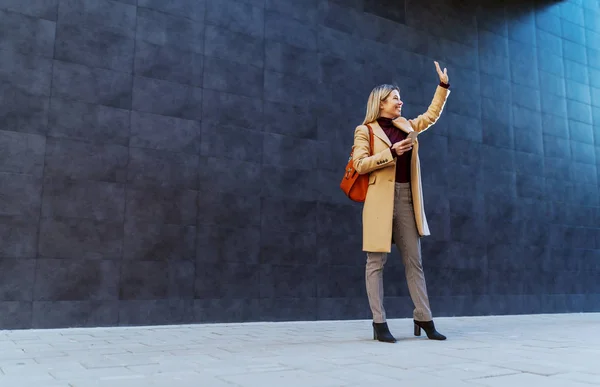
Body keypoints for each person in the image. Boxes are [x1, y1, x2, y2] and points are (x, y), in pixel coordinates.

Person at [352, 61, 450, 343]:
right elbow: (359, 164)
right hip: (379, 201)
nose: (400, 101)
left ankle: (424, 316)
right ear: (381, 103)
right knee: (376, 262)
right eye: (395, 98)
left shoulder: (406, 125)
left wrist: (442, 87)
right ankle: (379, 322)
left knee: (414, 261)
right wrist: (391, 153)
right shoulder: (365, 130)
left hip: (406, 197)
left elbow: (430, 116)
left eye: (399, 97)